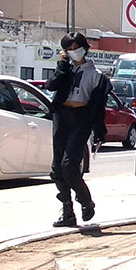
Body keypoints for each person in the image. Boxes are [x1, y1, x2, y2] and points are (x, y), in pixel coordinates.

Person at [45, 32, 109, 227]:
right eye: (69, 49)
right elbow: (51, 85)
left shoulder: (97, 76)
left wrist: (99, 131)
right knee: (57, 168)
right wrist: (63, 65)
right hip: (61, 116)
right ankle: (67, 212)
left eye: (76, 48)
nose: (74, 52)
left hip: (81, 120)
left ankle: (86, 201)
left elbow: (99, 106)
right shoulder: (65, 70)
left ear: (85, 48)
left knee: (69, 165)